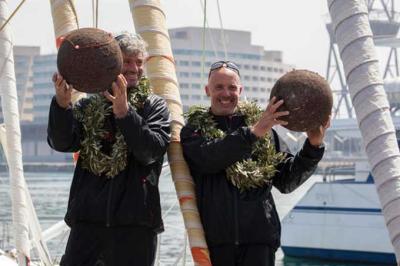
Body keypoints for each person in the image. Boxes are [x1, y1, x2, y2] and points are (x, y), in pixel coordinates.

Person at [180, 61, 330, 266]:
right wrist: (253, 133)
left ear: (240, 90)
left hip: (260, 241)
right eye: (219, 87)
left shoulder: (266, 132)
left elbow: (286, 181)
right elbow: (209, 159)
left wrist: (313, 146)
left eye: (232, 87)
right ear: (207, 90)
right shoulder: (193, 131)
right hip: (216, 243)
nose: (226, 93)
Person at [48, 33, 170, 266]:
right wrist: (62, 107)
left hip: (135, 227)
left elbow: (150, 151)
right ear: (110, 64)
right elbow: (62, 143)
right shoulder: (89, 106)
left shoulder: (155, 106)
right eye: (127, 61)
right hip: (88, 224)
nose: (134, 68)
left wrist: (125, 114)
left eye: (139, 62)